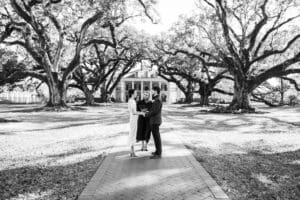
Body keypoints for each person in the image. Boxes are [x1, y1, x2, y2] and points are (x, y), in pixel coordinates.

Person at [145, 86, 163, 159]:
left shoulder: (157, 99)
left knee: (157, 137)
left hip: (155, 121)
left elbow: (155, 111)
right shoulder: (155, 99)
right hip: (154, 120)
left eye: (152, 90)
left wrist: (146, 114)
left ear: (155, 91)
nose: (151, 91)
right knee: (156, 137)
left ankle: (158, 153)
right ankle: (157, 151)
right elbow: (153, 109)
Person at [128, 89, 145, 157]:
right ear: (132, 94)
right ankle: (132, 152)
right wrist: (142, 113)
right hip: (133, 119)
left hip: (133, 119)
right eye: (135, 93)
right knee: (133, 134)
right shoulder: (131, 101)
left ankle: (132, 151)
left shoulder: (131, 100)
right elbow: (134, 112)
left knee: (133, 134)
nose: (136, 94)